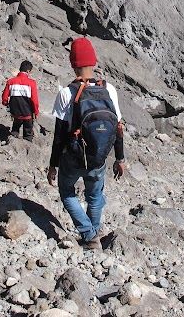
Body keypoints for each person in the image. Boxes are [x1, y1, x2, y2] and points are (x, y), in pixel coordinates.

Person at [47, 37, 125, 250]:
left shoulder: (66, 93)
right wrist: (120, 158)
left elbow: (59, 135)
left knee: (66, 191)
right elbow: (118, 128)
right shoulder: (109, 90)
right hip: (99, 157)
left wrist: (53, 164)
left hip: (73, 157)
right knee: (95, 195)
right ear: (94, 61)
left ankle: (89, 235)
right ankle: (94, 233)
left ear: (73, 63)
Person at [1, 60, 39, 142]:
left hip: (15, 112)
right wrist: (36, 112)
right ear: (28, 71)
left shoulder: (11, 81)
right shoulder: (32, 83)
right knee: (28, 133)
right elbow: (34, 100)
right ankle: (27, 144)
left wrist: (6, 104)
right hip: (27, 113)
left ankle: (12, 141)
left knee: (15, 128)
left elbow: (4, 97)